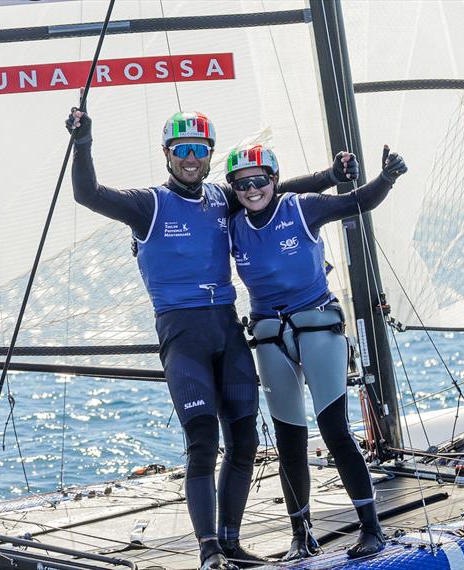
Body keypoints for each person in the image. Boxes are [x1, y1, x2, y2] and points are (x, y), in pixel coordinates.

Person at [65, 107, 358, 570]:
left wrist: (332, 175)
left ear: (209, 156)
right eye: (182, 150)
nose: (190, 158)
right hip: (183, 335)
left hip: (227, 326)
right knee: (202, 442)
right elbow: (88, 194)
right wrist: (83, 143)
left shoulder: (225, 198)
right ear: (167, 154)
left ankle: (231, 542)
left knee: (244, 442)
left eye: (199, 151)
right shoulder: (148, 204)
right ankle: (208, 552)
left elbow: (278, 190)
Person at [225, 144, 407, 561]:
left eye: (260, 180)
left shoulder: (301, 208)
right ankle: (300, 535)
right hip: (271, 336)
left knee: (335, 430)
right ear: (233, 189)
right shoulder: (232, 223)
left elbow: (358, 201)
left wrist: (387, 178)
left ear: (274, 179)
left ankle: (371, 529)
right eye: (242, 184)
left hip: (317, 327)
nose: (252, 190)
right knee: (290, 441)